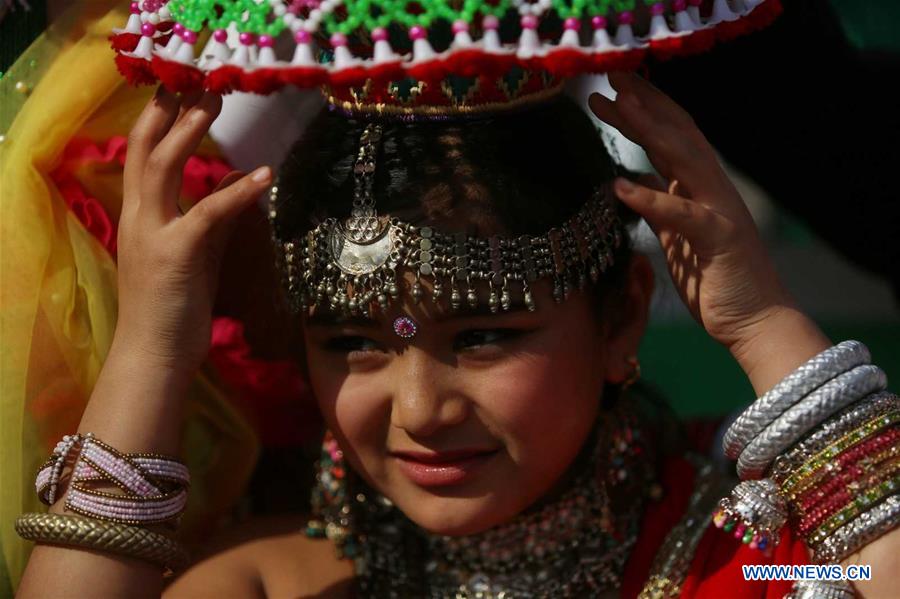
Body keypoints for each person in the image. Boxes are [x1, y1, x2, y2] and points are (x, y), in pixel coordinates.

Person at [13, 71, 900, 598]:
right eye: (355, 341)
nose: (419, 409)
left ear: (622, 312)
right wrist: (151, 349)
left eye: (482, 335)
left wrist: (762, 323)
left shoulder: (751, 547)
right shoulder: (279, 583)